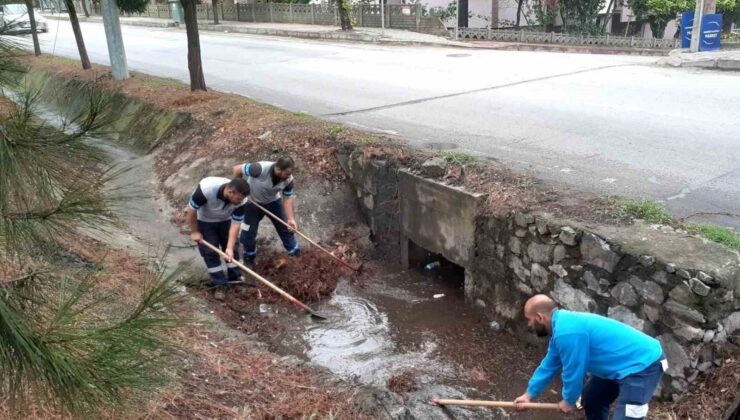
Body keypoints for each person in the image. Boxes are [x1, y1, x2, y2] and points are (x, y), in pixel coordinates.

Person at [514, 295, 666, 420]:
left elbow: (573, 370)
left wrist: (569, 400)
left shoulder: (567, 332)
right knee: (593, 399)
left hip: (643, 365)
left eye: (529, 319)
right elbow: (549, 365)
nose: (528, 324)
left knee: (629, 416)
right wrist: (528, 395)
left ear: (539, 317)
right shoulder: (561, 329)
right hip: (618, 365)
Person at [188, 177, 250, 301]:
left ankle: (236, 278)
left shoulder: (242, 201)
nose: (240, 201)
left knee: (233, 250)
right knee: (210, 251)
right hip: (204, 220)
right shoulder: (206, 190)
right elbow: (191, 210)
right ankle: (220, 283)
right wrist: (195, 232)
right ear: (230, 192)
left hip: (225, 220)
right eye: (238, 199)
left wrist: (229, 248)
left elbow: (236, 224)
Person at [232, 157, 299, 268]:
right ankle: (249, 258)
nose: (288, 176)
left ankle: (295, 254)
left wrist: (290, 219)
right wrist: (240, 191)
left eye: (289, 174)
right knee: (248, 231)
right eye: (286, 174)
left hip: (273, 201)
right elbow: (236, 169)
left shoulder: (288, 179)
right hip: (252, 202)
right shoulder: (259, 169)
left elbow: (287, 199)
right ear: (278, 169)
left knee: (286, 227)